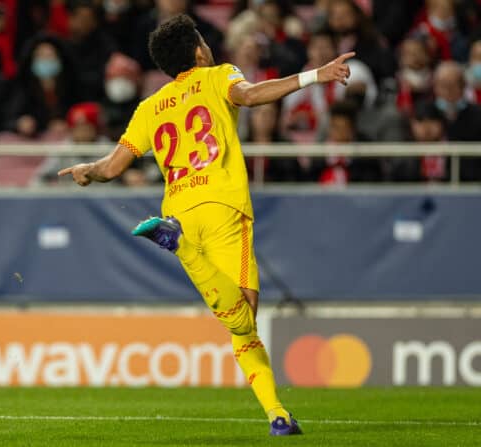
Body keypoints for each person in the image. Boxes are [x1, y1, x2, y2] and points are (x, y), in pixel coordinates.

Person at [58, 14, 353, 436]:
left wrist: (89, 169)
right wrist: (314, 76)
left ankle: (277, 415)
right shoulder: (219, 76)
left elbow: (113, 166)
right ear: (199, 50)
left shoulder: (149, 107)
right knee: (244, 317)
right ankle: (180, 247)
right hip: (222, 205)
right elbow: (250, 96)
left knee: (240, 324)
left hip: (180, 206)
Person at [5, 34, 80, 138]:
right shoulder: (23, 88)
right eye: (40, 56)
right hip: (34, 143)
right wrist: (20, 123)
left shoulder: (73, 87)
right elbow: (8, 119)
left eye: (50, 56)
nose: (45, 60)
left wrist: (69, 123)